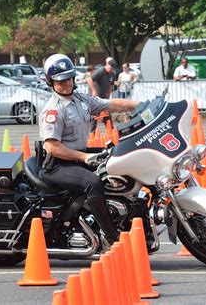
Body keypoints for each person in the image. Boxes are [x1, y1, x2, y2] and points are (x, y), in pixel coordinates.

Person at [39, 54, 139, 245]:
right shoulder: (53, 110)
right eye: (60, 81)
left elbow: (111, 104)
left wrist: (141, 106)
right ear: (51, 82)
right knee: (93, 183)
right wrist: (85, 157)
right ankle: (111, 237)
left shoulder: (80, 100)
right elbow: (52, 147)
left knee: (118, 156)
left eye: (68, 78)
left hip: (76, 156)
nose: (66, 83)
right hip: (58, 165)